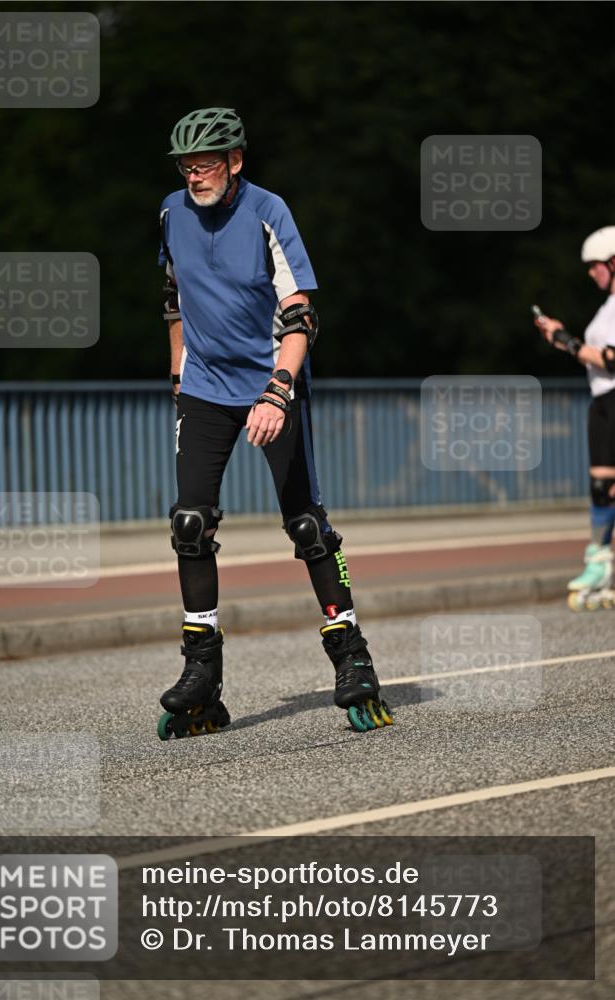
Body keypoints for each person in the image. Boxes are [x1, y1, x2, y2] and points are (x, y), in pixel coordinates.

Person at [155, 108, 392, 738]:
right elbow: (174, 297)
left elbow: (300, 312)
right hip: (205, 388)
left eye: (205, 162)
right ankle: (201, 670)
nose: (193, 174)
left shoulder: (268, 210)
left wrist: (278, 390)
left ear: (235, 160)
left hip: (271, 383)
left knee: (306, 524)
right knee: (189, 521)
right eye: (185, 164)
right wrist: (180, 381)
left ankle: (351, 654)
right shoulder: (171, 212)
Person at [534, 226, 615, 610]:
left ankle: (601, 558)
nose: (591, 272)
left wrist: (566, 341)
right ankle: (599, 562)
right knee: (602, 489)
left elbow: (612, 359)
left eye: (596, 265)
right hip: (601, 401)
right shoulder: (605, 308)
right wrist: (560, 337)